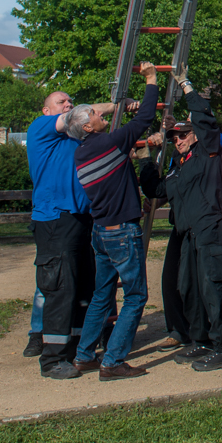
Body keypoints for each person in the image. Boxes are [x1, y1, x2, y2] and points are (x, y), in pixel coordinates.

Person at [68, 62, 170, 381]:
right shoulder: (109, 144)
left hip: (101, 231)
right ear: (88, 127)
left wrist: (119, 106)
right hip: (122, 232)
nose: (101, 115)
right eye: (97, 116)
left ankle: (84, 355)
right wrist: (151, 80)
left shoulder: (84, 152)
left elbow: (124, 150)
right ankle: (112, 361)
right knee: (136, 295)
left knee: (102, 294)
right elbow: (144, 119)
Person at [26, 88, 129, 379]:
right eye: (62, 102)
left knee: (84, 288)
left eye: (70, 101)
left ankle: (75, 350)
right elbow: (76, 116)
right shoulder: (41, 128)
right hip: (55, 220)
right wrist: (114, 106)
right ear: (47, 111)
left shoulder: (77, 138)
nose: (68, 105)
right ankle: (52, 359)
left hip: (83, 220)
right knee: (60, 288)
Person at [157, 87, 222, 372]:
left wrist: (188, 89)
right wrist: (143, 160)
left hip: (212, 228)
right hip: (189, 234)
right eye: (174, 137)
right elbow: (158, 190)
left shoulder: (210, 150)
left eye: (183, 134)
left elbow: (205, 119)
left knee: (213, 287)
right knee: (188, 288)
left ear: (196, 134)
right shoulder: (180, 164)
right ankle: (201, 339)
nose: (178, 140)